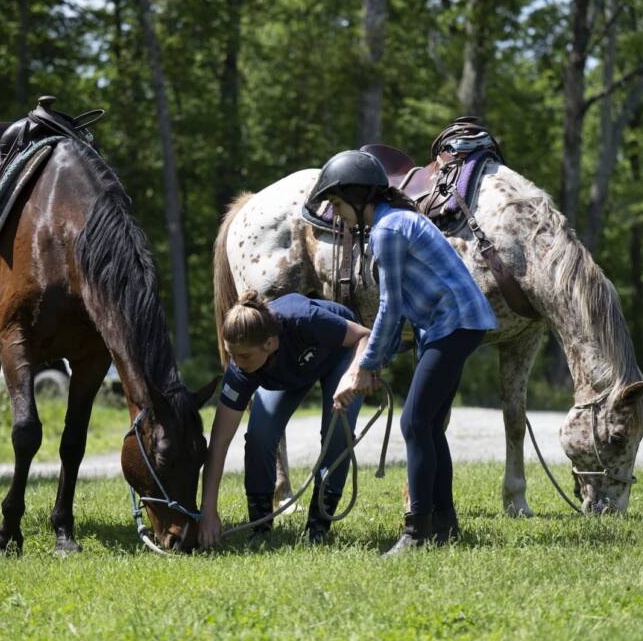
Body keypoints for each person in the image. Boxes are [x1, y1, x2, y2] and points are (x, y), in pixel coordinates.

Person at [310, 149, 498, 556]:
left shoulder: (387, 230)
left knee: (414, 425)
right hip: (456, 325)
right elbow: (401, 310)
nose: (338, 214)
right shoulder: (397, 222)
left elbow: (390, 306)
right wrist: (378, 360)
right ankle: (444, 524)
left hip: (454, 325)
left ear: (359, 197)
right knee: (427, 426)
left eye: (339, 205)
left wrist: (365, 365)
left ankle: (417, 533)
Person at [198, 290, 373, 549]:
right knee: (260, 435)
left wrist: (358, 372)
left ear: (270, 343)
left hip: (340, 356)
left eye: (243, 356)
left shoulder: (304, 318)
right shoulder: (241, 367)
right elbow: (219, 442)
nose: (236, 363)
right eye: (231, 354)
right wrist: (207, 511)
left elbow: (365, 335)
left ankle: (318, 526)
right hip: (287, 374)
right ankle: (260, 526)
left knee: (337, 431)